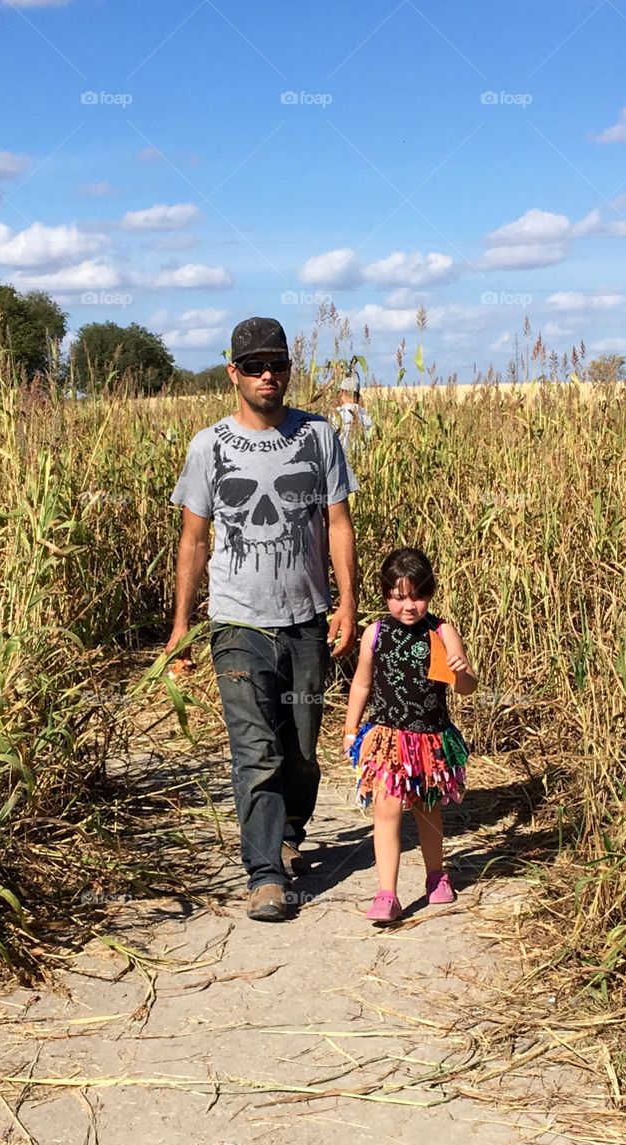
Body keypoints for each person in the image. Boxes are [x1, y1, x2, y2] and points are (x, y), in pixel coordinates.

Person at [167, 317, 359, 922]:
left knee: (300, 749)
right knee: (256, 750)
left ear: (288, 370)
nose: (267, 375)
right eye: (254, 366)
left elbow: (337, 523)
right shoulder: (209, 447)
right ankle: (265, 875)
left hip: (306, 619)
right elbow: (194, 539)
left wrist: (347, 603)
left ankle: (288, 834)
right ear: (235, 373)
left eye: (276, 364)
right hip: (237, 623)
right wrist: (181, 625)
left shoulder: (319, 436)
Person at [343, 547, 477, 923]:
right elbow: (362, 684)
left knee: (427, 809)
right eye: (398, 597)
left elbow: (467, 687)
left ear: (430, 593)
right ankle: (387, 893)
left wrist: (461, 671)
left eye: (417, 596)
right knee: (386, 810)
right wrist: (351, 729)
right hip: (388, 739)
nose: (408, 606)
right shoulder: (375, 633)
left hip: (430, 740)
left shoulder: (442, 631)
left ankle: (436, 875)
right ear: (385, 594)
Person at [333, 376, 374, 453]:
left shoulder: (335, 415)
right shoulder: (368, 417)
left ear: (341, 392)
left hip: (341, 457)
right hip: (363, 458)